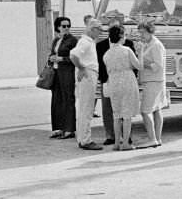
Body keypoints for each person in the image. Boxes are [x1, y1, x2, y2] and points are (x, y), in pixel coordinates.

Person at [96, 19, 137, 145]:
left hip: (124, 80)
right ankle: (111, 136)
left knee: (124, 109)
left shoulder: (129, 44)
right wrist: (104, 80)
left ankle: (126, 136)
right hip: (108, 80)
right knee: (108, 109)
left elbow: (132, 63)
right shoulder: (100, 45)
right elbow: (100, 65)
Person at [69, 17, 104, 151]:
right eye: (99, 29)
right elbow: (73, 55)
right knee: (87, 108)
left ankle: (82, 138)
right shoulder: (86, 42)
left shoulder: (88, 41)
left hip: (89, 74)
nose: (100, 32)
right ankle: (85, 139)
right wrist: (82, 68)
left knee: (85, 108)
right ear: (92, 29)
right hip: (88, 74)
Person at [137, 19, 168, 147]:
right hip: (153, 80)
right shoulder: (148, 44)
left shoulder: (156, 45)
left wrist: (142, 61)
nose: (141, 35)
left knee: (145, 110)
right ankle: (157, 138)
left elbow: (157, 65)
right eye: (140, 33)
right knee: (156, 109)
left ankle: (152, 138)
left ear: (150, 32)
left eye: (143, 32)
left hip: (154, 81)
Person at [48, 16, 77, 139]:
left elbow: (75, 57)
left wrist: (61, 59)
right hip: (56, 72)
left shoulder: (72, 40)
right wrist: (51, 58)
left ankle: (69, 129)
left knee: (68, 99)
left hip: (67, 73)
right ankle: (58, 128)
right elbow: (52, 53)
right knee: (56, 100)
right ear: (58, 27)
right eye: (63, 26)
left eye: (68, 26)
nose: (66, 28)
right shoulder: (56, 40)